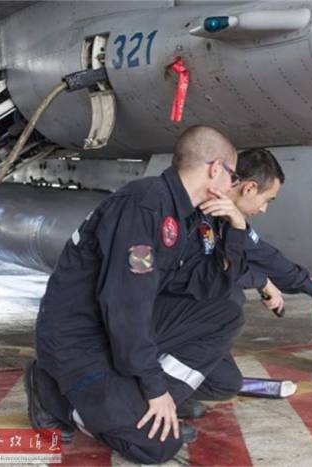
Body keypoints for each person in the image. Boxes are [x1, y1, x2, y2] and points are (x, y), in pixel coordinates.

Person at [26, 126, 252, 464]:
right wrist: (154, 388)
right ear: (215, 168)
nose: (231, 187)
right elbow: (124, 304)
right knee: (156, 445)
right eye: (231, 176)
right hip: (79, 339)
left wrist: (237, 230)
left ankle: (144, 403)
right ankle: (51, 391)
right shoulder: (143, 207)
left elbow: (209, 287)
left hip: (115, 329)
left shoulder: (185, 215)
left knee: (228, 313)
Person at [176, 147, 312, 416]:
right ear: (249, 188)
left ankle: (172, 389)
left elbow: (266, 256)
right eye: (267, 199)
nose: (265, 209)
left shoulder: (227, 217)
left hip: (182, 320)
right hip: (159, 316)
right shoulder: (198, 211)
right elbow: (210, 271)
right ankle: (147, 390)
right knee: (230, 303)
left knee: (225, 384)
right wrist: (262, 281)